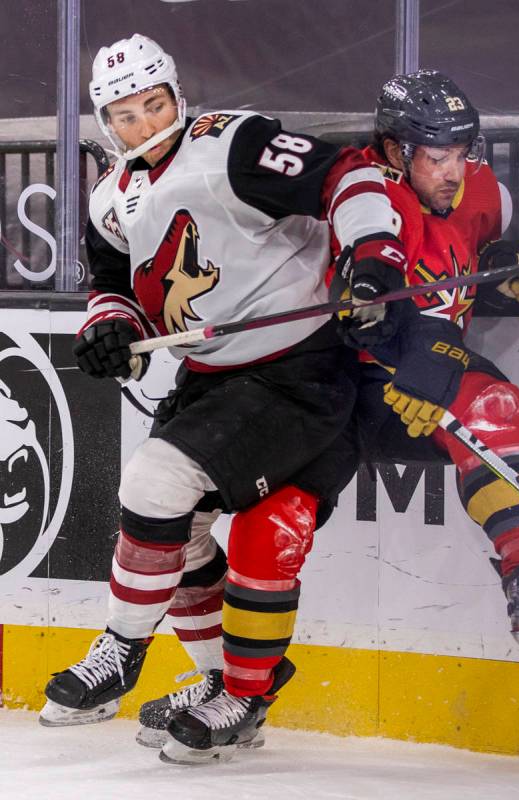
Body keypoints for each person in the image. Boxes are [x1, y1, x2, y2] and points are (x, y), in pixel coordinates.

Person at [39, 33, 407, 762]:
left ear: (178, 95)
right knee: (184, 531)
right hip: (212, 377)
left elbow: (349, 176)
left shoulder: (231, 145)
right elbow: (112, 282)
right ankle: (232, 687)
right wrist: (110, 326)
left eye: (155, 103)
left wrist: (373, 254)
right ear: (104, 123)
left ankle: (120, 649)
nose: (145, 122)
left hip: (298, 371)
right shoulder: (112, 195)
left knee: (155, 481)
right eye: (125, 114)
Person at [331, 69, 519, 682]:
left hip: (432, 373)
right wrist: (418, 357)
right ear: (397, 151)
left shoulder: (477, 188)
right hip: (359, 386)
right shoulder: (365, 196)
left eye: (461, 151)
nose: (454, 171)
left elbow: (484, 255)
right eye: (437, 156)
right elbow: (363, 314)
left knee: (499, 404)